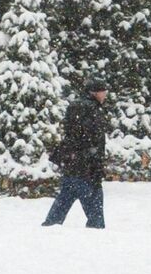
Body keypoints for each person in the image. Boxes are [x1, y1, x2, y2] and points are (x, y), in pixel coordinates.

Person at [42, 78, 110, 228]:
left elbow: (71, 134)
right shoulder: (92, 110)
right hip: (86, 167)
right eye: (103, 92)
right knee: (94, 207)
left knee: (65, 197)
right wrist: (94, 163)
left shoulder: (76, 106)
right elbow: (92, 139)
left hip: (72, 164)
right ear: (95, 93)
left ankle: (49, 227)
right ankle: (96, 231)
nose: (104, 95)